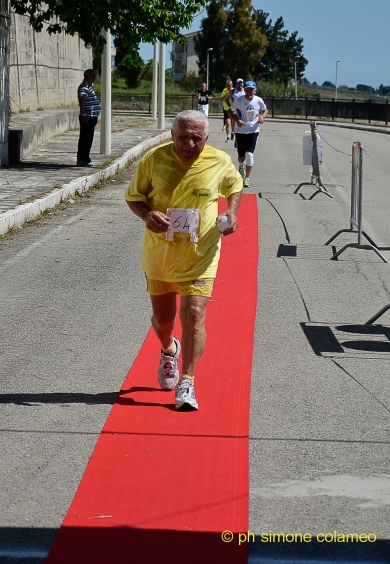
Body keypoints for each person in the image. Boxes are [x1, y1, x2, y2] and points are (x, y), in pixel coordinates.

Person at [125, 110, 242, 411]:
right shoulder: (154, 159)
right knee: (165, 322)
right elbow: (133, 196)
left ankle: (186, 382)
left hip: (200, 255)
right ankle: (168, 350)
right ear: (172, 136)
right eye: (183, 137)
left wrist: (232, 212)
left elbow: (235, 186)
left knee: (193, 314)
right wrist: (147, 214)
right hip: (160, 256)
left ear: (206, 138)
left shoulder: (218, 160)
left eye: (196, 138)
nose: (189, 144)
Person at [228, 79, 268, 188]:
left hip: (253, 130)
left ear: (255, 90)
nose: (249, 91)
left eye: (251, 89)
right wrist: (237, 120)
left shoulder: (258, 100)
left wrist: (262, 117)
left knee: (249, 154)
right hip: (240, 130)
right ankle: (241, 167)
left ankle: (247, 178)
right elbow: (230, 112)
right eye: (247, 89)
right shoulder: (238, 101)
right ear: (244, 90)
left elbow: (265, 110)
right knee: (241, 157)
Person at [77, 68, 101, 167]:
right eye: (93, 75)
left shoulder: (89, 86)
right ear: (88, 76)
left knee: (88, 138)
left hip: (91, 116)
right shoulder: (84, 87)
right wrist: (84, 114)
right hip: (88, 117)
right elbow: (81, 100)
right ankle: (84, 159)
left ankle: (84, 158)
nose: (95, 77)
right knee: (86, 139)